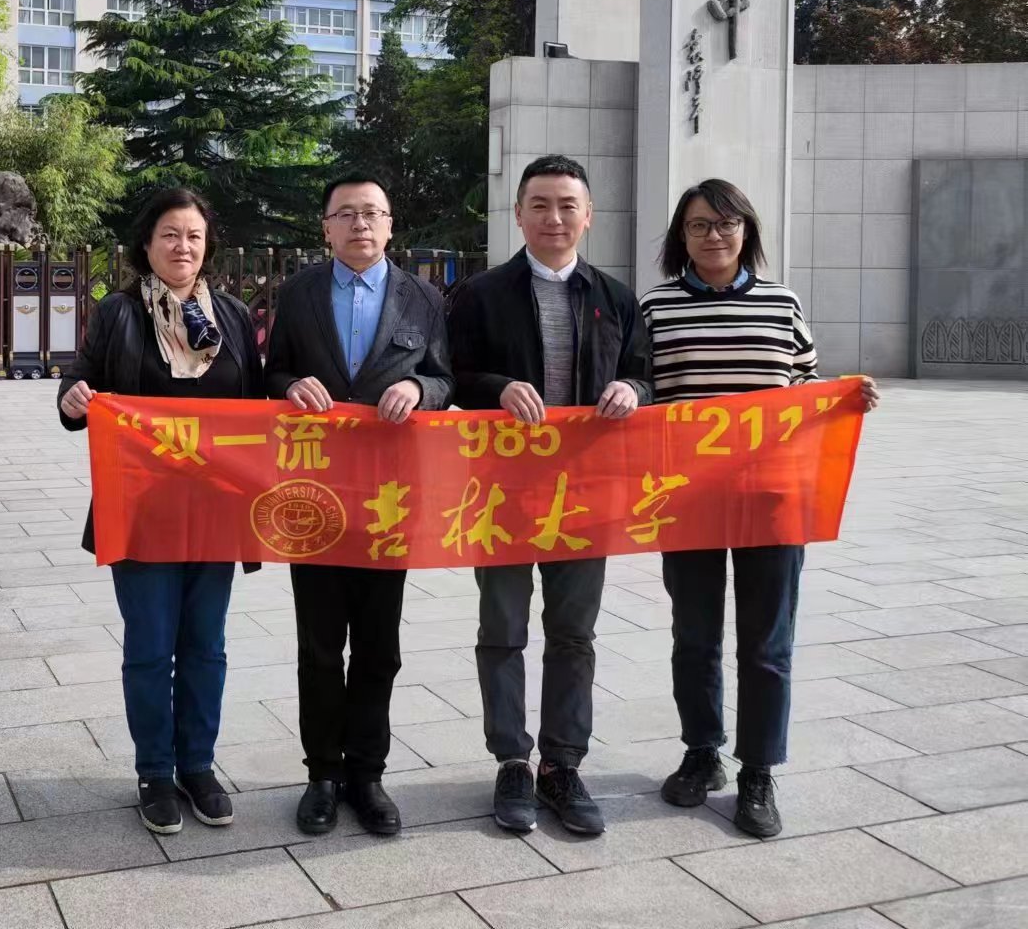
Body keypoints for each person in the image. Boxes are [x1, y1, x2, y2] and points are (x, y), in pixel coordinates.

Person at [641, 178, 879, 838]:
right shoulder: (657, 307)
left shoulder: (781, 303)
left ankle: (758, 770)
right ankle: (702, 752)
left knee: (767, 641)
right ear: (681, 236)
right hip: (688, 498)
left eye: (726, 223)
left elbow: (804, 385)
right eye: (698, 225)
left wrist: (846, 397)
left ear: (747, 230)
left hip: (773, 498)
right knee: (693, 636)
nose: (713, 235)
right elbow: (643, 389)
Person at [445, 154, 651, 837]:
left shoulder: (615, 297)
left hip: (585, 490)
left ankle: (563, 764)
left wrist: (632, 390)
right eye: (539, 204)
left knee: (573, 633)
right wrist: (497, 388)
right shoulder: (479, 295)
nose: (553, 217)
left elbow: (645, 374)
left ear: (588, 216)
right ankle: (512, 760)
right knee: (502, 629)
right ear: (518, 215)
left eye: (567, 205)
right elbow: (451, 376)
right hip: (502, 491)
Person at [56, 187, 267, 836]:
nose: (183, 247)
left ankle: (197, 766)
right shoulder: (119, 313)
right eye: (170, 234)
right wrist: (73, 398)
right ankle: (154, 770)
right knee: (150, 647)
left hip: (215, 510)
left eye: (194, 236)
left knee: (206, 645)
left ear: (208, 246)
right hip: (142, 510)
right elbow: (80, 379)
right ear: (146, 244)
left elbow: (259, 404)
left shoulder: (232, 316)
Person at [266, 173, 454, 838]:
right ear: (326, 227)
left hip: (387, 499)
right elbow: (271, 372)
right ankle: (322, 774)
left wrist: (420, 392)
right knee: (319, 646)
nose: (360, 224)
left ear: (391, 224)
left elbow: (445, 377)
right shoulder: (299, 293)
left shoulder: (423, 298)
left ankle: (367, 775)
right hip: (314, 496)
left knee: (379, 646)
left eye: (372, 213)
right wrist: (291, 385)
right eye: (345, 214)